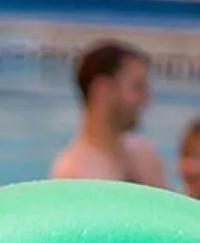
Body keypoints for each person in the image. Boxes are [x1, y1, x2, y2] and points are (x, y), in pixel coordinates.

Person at [50, 40, 168, 187]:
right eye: (137, 87)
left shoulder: (145, 153)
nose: (146, 99)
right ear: (103, 90)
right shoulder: (74, 175)